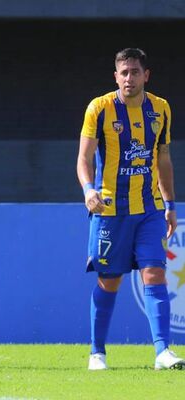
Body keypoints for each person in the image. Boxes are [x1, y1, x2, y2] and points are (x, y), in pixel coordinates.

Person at [77, 48, 183, 370]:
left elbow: (163, 159)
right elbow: (83, 158)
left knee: (155, 273)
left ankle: (163, 352)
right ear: (115, 76)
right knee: (109, 281)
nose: (129, 78)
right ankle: (97, 353)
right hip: (109, 210)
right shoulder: (99, 108)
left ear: (145, 75)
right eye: (123, 72)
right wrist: (88, 189)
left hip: (149, 209)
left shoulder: (161, 109)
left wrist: (170, 204)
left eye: (135, 72)